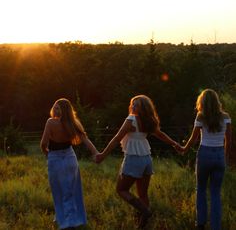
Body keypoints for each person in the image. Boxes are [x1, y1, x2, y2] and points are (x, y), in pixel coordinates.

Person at [95, 94, 181, 229]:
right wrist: (174, 143)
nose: (133, 106)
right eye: (132, 103)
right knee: (143, 194)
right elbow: (160, 134)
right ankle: (142, 225)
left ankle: (145, 211)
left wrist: (102, 155)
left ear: (143, 108)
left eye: (136, 104)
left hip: (134, 158)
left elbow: (117, 138)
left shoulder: (131, 119)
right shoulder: (149, 121)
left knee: (121, 189)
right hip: (146, 159)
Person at [40, 98, 98, 230]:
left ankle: (68, 222)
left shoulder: (50, 122)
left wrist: (47, 153)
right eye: (54, 106)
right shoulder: (73, 123)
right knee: (72, 189)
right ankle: (70, 218)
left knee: (59, 189)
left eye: (57, 108)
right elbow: (85, 139)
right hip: (70, 156)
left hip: (55, 157)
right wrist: (95, 153)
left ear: (64, 111)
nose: (55, 109)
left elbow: (43, 144)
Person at [180, 89, 232, 230]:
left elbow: (193, 139)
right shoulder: (226, 116)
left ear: (202, 102)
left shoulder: (200, 117)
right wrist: (226, 158)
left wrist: (183, 149)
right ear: (216, 101)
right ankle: (216, 226)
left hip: (205, 154)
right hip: (219, 155)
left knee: (201, 189)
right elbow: (229, 141)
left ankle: (201, 223)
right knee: (215, 192)